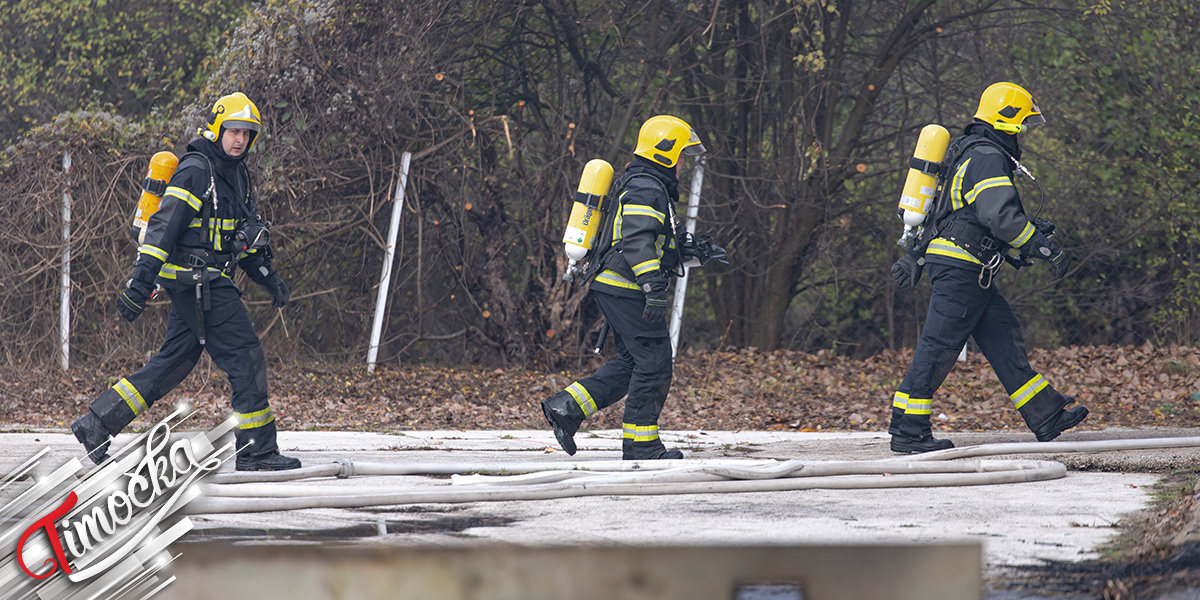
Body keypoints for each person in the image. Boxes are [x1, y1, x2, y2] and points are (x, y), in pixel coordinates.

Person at [71, 92, 300, 471]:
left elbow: (242, 235)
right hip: (201, 285)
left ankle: (96, 424)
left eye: (247, 133)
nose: (240, 139)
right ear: (216, 128)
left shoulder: (238, 175)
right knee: (245, 358)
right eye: (233, 131)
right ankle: (257, 451)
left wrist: (268, 277)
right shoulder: (197, 170)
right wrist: (140, 285)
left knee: (172, 363)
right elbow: (163, 229)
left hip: (202, 285)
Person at [888, 82, 1089, 453]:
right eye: (1023, 124)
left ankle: (1045, 414)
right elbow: (999, 216)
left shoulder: (971, 153)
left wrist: (1021, 240)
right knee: (938, 346)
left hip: (968, 267)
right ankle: (909, 430)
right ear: (1007, 120)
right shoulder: (987, 157)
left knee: (1002, 336)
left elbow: (964, 216)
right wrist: (1041, 246)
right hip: (962, 269)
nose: (1025, 133)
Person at [542, 115, 708, 460]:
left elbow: (644, 237)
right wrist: (651, 286)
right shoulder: (647, 187)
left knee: (634, 362)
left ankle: (567, 407)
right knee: (655, 362)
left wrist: (686, 252)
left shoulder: (645, 184)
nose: (682, 166)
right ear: (666, 153)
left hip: (616, 288)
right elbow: (635, 241)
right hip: (627, 289)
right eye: (680, 156)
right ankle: (642, 446)